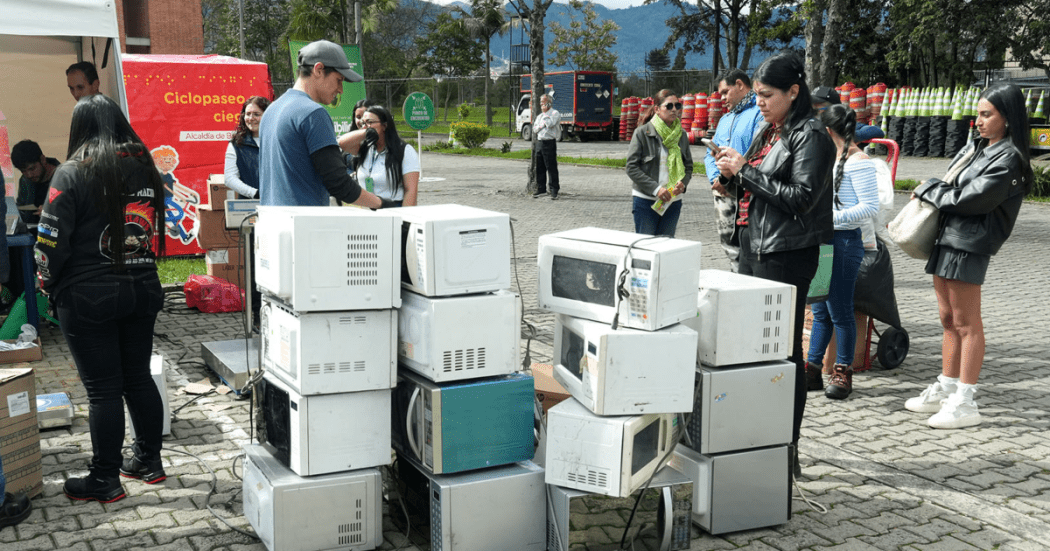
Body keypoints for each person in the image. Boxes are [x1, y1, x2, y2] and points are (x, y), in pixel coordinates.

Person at [35, 94, 169, 503]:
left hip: (87, 294)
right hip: (142, 287)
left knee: (103, 390)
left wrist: (46, 279)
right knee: (137, 378)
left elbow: (50, 241)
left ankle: (104, 479)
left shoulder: (71, 171)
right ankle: (148, 461)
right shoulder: (145, 164)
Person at [714, 51, 834, 476]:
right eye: (758, 95)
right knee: (750, 349)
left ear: (793, 92)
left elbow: (802, 199)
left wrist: (745, 170)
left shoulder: (810, 135)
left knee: (782, 353)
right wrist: (730, 179)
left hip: (786, 253)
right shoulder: (769, 130)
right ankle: (754, 438)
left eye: (767, 94)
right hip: (753, 244)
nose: (760, 102)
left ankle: (788, 447)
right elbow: (757, 187)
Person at [904, 83, 1031, 429]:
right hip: (947, 238)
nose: (978, 121)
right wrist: (940, 190)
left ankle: (965, 400)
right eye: (978, 113)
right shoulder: (978, 148)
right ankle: (947, 386)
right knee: (948, 319)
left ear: (1008, 117)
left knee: (966, 323)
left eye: (986, 114)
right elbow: (957, 191)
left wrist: (929, 188)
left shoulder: (1009, 159)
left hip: (969, 243)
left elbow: (970, 200)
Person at [258, 40, 391, 209]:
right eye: (339, 80)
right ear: (319, 70)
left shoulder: (272, 110)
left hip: (270, 222)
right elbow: (338, 183)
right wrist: (383, 204)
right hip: (302, 225)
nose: (341, 89)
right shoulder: (313, 114)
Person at [804, 104, 879, 400]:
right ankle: (812, 367)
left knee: (840, 310)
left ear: (828, 130)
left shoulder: (859, 161)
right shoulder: (829, 158)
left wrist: (831, 218)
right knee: (820, 309)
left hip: (845, 242)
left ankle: (843, 370)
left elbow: (869, 207)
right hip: (822, 242)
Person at [704, 69, 763, 271]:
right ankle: (736, 277)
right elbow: (709, 154)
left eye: (725, 92)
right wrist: (716, 178)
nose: (722, 99)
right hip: (723, 193)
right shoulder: (725, 120)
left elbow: (758, 152)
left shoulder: (759, 113)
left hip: (747, 191)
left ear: (740, 85)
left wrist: (730, 175)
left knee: (749, 247)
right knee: (730, 247)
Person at [625, 89, 693, 237]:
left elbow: (688, 166)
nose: (674, 110)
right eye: (669, 106)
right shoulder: (642, 133)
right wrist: (656, 189)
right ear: (657, 109)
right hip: (646, 200)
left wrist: (683, 183)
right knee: (646, 247)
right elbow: (631, 168)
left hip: (672, 201)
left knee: (666, 246)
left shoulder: (681, 135)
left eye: (677, 105)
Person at [337, 105, 420, 207]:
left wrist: (405, 219)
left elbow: (410, 191)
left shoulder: (405, 151)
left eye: (370, 122)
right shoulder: (366, 148)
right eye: (363, 123)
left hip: (392, 209)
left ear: (384, 126)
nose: (365, 126)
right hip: (367, 210)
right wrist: (365, 132)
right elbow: (341, 142)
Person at [223, 96, 271, 199]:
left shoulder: (277, 141)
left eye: (256, 114)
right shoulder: (236, 144)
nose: (251, 118)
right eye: (248, 114)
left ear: (268, 115)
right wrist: (255, 193)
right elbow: (229, 178)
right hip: (249, 204)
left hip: (277, 203)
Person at [11, 140, 59, 232]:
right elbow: (21, 208)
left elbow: (76, 216)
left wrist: (52, 213)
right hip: (30, 237)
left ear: (43, 159)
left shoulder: (64, 180)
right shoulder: (25, 180)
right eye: (23, 171)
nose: (29, 175)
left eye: (32, 168)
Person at [811, 86, 884, 143]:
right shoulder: (809, 125)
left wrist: (848, 136)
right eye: (812, 104)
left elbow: (877, 131)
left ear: (834, 108)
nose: (813, 108)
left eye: (818, 104)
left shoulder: (844, 124)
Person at [532, 94, 561, 200]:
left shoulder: (555, 113)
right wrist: (542, 125)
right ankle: (541, 188)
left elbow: (550, 123)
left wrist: (544, 119)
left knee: (551, 166)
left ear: (549, 102)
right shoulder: (539, 116)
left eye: (543, 102)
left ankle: (554, 190)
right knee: (540, 166)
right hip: (540, 142)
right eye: (540, 102)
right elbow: (535, 129)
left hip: (549, 142)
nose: (541, 104)